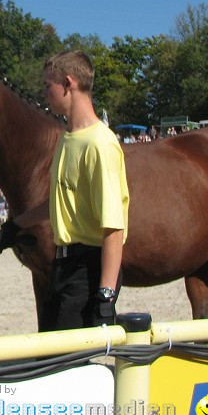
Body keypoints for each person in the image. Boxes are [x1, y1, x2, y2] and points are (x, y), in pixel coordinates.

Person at [40, 50, 130, 331]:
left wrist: (106, 294)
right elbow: (60, 201)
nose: (45, 93)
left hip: (87, 270)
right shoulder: (67, 138)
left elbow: (113, 228)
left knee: (68, 365)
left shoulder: (100, 143)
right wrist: (16, 224)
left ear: (68, 84)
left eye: (48, 85)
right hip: (62, 267)